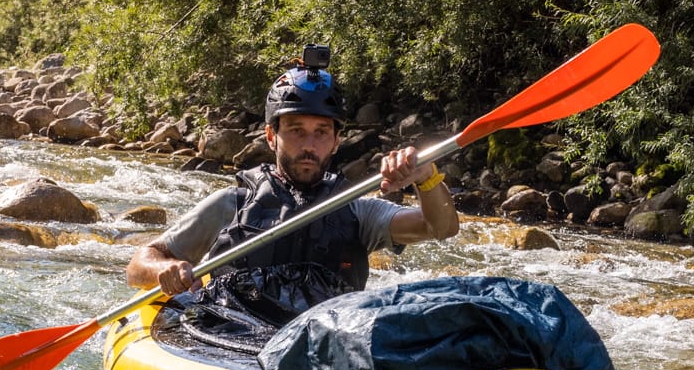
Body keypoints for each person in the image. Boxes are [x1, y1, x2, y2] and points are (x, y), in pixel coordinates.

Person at [127, 51, 458, 322]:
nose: (309, 145)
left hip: (323, 347)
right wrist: (164, 268)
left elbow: (440, 227)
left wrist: (426, 177)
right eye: (296, 130)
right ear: (272, 136)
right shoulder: (232, 205)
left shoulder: (358, 210)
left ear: (336, 141)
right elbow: (141, 262)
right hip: (230, 342)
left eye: (321, 132)